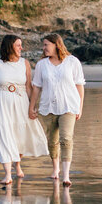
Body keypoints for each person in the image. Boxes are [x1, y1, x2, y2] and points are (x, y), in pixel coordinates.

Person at [0, 35, 49, 185]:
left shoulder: (24, 63)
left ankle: (17, 164)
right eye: (18, 45)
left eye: (21, 45)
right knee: (3, 133)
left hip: (21, 101)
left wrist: (32, 106)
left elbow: (29, 87)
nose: (21, 48)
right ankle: (7, 174)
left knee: (20, 134)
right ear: (10, 46)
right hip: (1, 102)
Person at [28, 33, 85, 186]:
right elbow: (36, 87)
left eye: (46, 44)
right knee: (52, 141)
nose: (44, 48)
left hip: (69, 106)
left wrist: (80, 107)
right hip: (48, 107)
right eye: (44, 45)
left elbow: (80, 86)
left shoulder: (73, 62)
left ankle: (66, 175)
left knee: (66, 138)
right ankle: (56, 169)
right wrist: (31, 106)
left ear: (56, 44)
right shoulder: (42, 64)